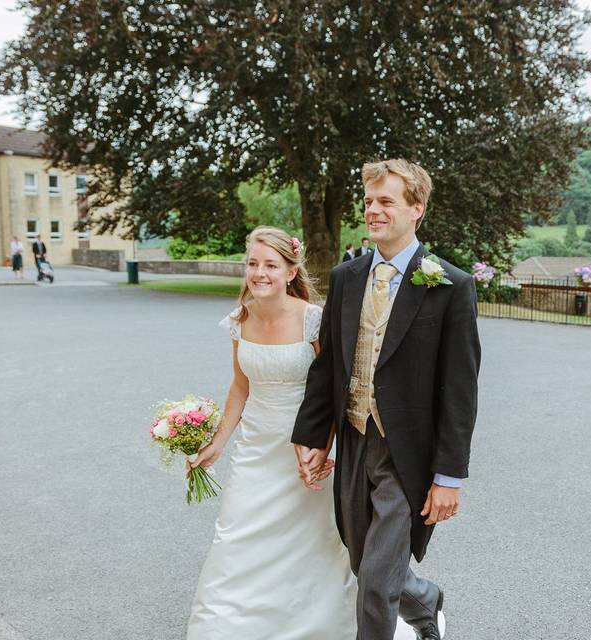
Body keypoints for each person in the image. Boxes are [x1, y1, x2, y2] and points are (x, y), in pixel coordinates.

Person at [185, 226, 415, 639]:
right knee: (236, 536)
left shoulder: (314, 319)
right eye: (253, 264)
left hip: (307, 448)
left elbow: (332, 386)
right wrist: (217, 444)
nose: (260, 273)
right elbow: (240, 386)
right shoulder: (240, 319)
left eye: (271, 265)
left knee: (314, 544)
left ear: (291, 271)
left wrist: (322, 446)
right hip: (256, 451)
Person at [293, 159, 481, 640]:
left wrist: (449, 477)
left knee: (376, 583)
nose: (372, 210)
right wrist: (315, 436)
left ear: (416, 208)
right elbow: (329, 364)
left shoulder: (450, 286)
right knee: (364, 561)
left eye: (386, 201)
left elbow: (460, 391)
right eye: (368, 202)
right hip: (356, 440)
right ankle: (424, 597)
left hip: (409, 454)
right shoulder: (346, 277)